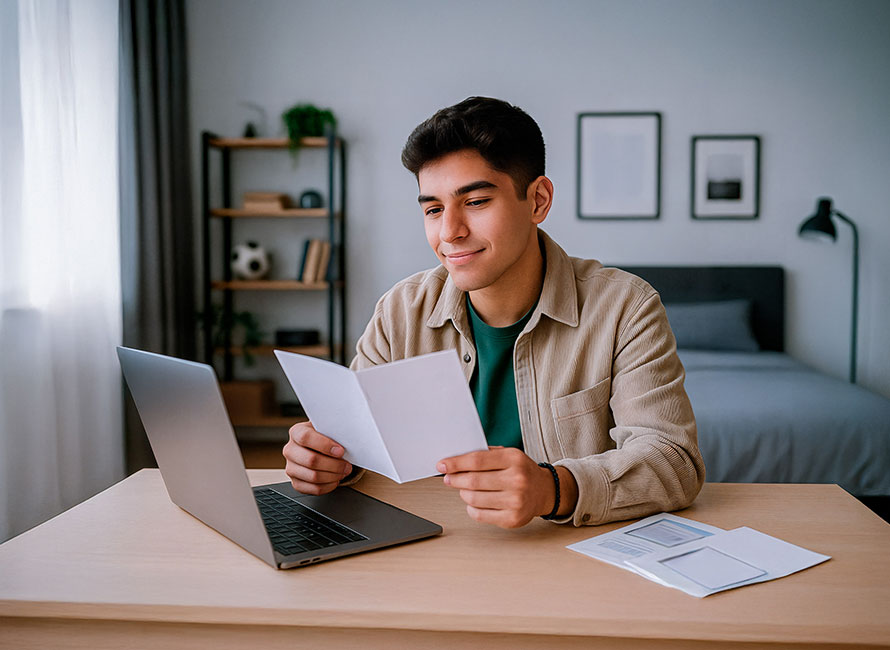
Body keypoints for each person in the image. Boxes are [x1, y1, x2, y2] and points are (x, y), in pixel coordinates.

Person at [283, 97, 705, 528]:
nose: (450, 232)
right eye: (433, 209)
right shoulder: (400, 311)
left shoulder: (625, 308)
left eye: (476, 201)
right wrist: (328, 460)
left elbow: (673, 462)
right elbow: (359, 443)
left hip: (564, 553)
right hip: (430, 544)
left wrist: (553, 489)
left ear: (538, 200)